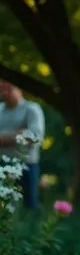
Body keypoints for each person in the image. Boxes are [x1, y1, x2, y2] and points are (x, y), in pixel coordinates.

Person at [0, 81, 46, 209]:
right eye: (2, 88)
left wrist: (3, 138)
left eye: (8, 88)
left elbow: (35, 135)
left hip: (27, 165)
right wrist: (19, 133)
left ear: (19, 89)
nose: (4, 92)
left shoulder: (31, 108)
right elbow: (26, 134)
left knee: (29, 205)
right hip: (2, 165)